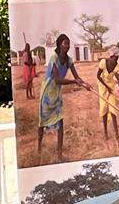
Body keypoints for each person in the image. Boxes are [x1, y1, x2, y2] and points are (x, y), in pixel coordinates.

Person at [38, 34, 92, 162]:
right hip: (47, 92)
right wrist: (74, 82)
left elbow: (77, 77)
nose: (67, 46)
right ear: (59, 44)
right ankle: (39, 148)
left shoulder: (69, 60)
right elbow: (57, 80)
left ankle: (59, 155)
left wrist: (85, 84)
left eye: (68, 43)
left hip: (56, 94)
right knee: (41, 122)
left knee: (60, 123)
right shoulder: (53, 58)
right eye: (64, 43)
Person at [97, 46, 119, 142]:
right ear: (110, 57)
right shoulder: (103, 62)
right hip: (103, 87)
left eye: (117, 57)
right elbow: (98, 76)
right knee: (104, 109)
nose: (115, 60)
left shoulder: (117, 66)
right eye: (114, 58)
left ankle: (117, 135)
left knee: (113, 109)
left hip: (111, 86)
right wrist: (106, 87)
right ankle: (105, 133)